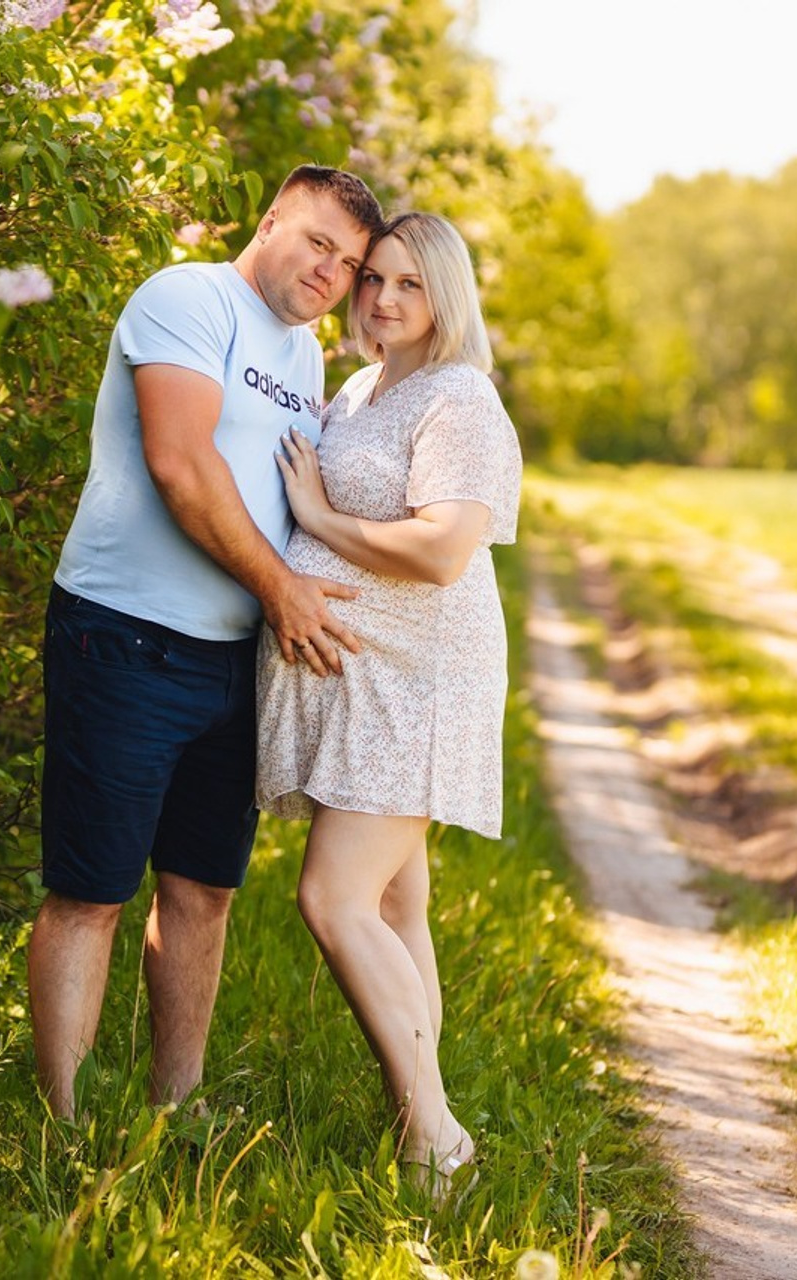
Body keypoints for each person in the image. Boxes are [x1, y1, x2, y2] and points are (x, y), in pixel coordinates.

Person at [29, 166, 384, 1120]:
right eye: (317, 242)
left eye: (349, 264)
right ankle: (59, 1133)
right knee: (92, 893)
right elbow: (180, 463)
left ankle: (174, 1115)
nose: (330, 272)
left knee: (202, 891)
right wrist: (283, 591)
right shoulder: (189, 299)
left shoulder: (304, 357)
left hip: (236, 661)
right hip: (124, 641)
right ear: (270, 222)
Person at [256, 212, 522, 1191]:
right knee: (398, 903)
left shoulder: (458, 397)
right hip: (363, 679)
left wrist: (318, 518)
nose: (381, 297)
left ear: (444, 295)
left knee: (332, 897)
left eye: (408, 283)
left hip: (423, 680)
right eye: (373, 278)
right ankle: (422, 1126)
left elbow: (443, 549)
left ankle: (435, 1133)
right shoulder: (364, 386)